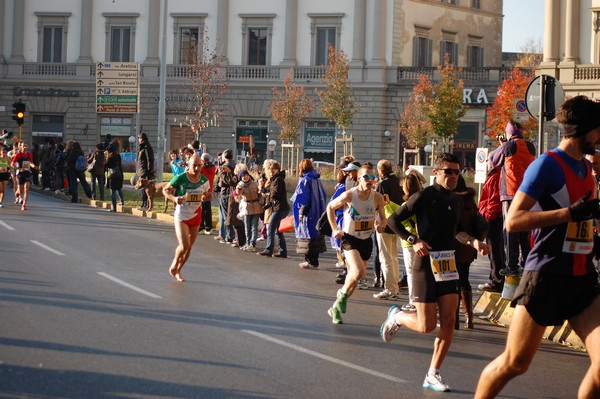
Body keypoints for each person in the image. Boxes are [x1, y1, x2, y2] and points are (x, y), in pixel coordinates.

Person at [474, 95, 600, 399]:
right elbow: (513, 221)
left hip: (581, 277)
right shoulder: (547, 165)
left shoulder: (587, 169)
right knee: (515, 363)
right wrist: (570, 213)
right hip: (546, 275)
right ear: (585, 130)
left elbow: (582, 224)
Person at [380, 153, 477, 392]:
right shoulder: (423, 197)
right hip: (424, 265)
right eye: (448, 171)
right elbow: (393, 220)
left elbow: (459, 231)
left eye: (457, 172)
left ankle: (433, 373)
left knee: (449, 320)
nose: (454, 176)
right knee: (426, 326)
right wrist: (414, 240)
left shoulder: (456, 200)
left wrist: (475, 242)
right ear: (436, 173)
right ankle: (397, 316)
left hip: (448, 266)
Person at [326, 164, 387, 324]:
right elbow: (330, 208)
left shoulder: (377, 197)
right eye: (366, 177)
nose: (370, 180)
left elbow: (383, 217)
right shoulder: (349, 195)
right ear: (359, 178)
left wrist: (381, 225)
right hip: (349, 238)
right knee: (358, 272)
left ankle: (336, 308)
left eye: (372, 177)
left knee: (353, 278)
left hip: (366, 240)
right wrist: (334, 229)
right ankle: (342, 298)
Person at [489, 121, 536, 277]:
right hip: (527, 194)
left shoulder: (508, 146)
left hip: (510, 193)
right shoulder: (530, 147)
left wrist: (502, 145)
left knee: (510, 229)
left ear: (508, 133)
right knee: (524, 231)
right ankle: (527, 264)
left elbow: (492, 161)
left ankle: (512, 265)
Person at [162, 152, 210, 282]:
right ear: (188, 165)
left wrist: (206, 197)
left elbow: (208, 195)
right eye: (194, 165)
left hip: (196, 215)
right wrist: (175, 198)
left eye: (199, 165)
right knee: (184, 245)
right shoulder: (180, 177)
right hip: (182, 215)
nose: (196, 168)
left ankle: (178, 270)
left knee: (189, 247)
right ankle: (174, 262)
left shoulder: (204, 180)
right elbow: (165, 190)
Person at [453, 175, 490, 329]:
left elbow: (454, 227)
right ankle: (469, 318)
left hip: (455, 245)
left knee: (453, 283)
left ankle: (454, 319)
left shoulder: (453, 201)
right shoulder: (470, 201)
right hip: (469, 248)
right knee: (464, 280)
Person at [373, 159, 404, 300]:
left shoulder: (383, 184)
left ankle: (390, 289)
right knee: (393, 257)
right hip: (397, 224)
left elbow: (378, 205)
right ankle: (395, 287)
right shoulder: (399, 181)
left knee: (385, 258)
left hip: (385, 223)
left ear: (380, 170)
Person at [291, 159, 328, 269]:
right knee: (315, 236)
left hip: (308, 213)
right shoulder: (316, 179)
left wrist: (302, 211)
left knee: (307, 236)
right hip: (317, 212)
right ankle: (314, 261)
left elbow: (302, 197)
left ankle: (310, 261)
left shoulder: (305, 180)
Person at [397, 170, 424, 312]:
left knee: (411, 271)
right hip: (423, 240)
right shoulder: (423, 202)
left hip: (409, 242)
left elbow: (395, 220)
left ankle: (413, 300)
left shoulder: (407, 204)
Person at [477, 165, 505, 292]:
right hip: (497, 216)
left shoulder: (496, 175)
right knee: (497, 250)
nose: (488, 162)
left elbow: (494, 199)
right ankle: (497, 278)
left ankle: (496, 280)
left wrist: (487, 216)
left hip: (493, 217)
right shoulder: (499, 173)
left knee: (494, 250)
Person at [257, 159, 290, 258]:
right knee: (277, 230)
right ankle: (283, 252)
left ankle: (269, 250)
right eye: (270, 169)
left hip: (280, 208)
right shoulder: (274, 179)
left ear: (278, 170)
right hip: (280, 207)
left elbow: (275, 194)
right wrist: (262, 188)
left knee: (271, 228)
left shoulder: (278, 179)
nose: (272, 171)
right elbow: (267, 191)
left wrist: (268, 194)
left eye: (274, 169)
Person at [235, 169, 262, 252]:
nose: (245, 177)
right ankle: (247, 243)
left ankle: (252, 244)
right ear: (240, 178)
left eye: (246, 175)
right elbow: (238, 194)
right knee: (247, 227)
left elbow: (259, 194)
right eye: (243, 176)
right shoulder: (240, 185)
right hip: (246, 208)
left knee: (254, 227)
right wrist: (239, 189)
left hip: (256, 207)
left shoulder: (254, 184)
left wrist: (261, 202)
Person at [216, 149, 236, 243]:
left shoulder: (225, 166)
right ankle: (227, 234)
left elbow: (223, 182)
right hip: (230, 192)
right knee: (228, 214)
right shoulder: (234, 165)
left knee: (226, 215)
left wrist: (222, 174)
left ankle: (229, 235)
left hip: (225, 192)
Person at [11, 141, 37, 211]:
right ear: (21, 147)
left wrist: (34, 166)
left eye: (26, 146)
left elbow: (31, 163)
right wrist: (19, 168)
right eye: (23, 146)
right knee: (21, 190)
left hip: (27, 173)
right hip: (20, 174)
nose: (25, 147)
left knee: (27, 187)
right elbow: (12, 164)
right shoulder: (18, 155)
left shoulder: (30, 154)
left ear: (27, 146)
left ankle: (24, 204)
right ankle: (17, 192)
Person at [136, 132, 155, 211]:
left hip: (145, 171)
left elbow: (150, 159)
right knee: (142, 189)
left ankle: (146, 205)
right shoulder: (142, 147)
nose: (138, 140)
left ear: (142, 139)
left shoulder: (147, 147)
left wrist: (149, 171)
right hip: (142, 170)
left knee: (145, 189)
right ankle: (143, 204)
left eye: (139, 138)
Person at [199, 152, 216, 234]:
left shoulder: (201, 168)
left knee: (201, 209)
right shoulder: (213, 168)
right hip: (209, 191)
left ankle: (201, 226)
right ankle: (208, 227)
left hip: (201, 191)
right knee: (208, 209)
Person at [105, 144, 124, 212]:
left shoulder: (110, 158)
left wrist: (106, 158)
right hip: (119, 174)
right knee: (119, 188)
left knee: (112, 191)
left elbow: (107, 165)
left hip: (113, 176)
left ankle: (114, 207)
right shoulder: (118, 156)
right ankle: (122, 201)